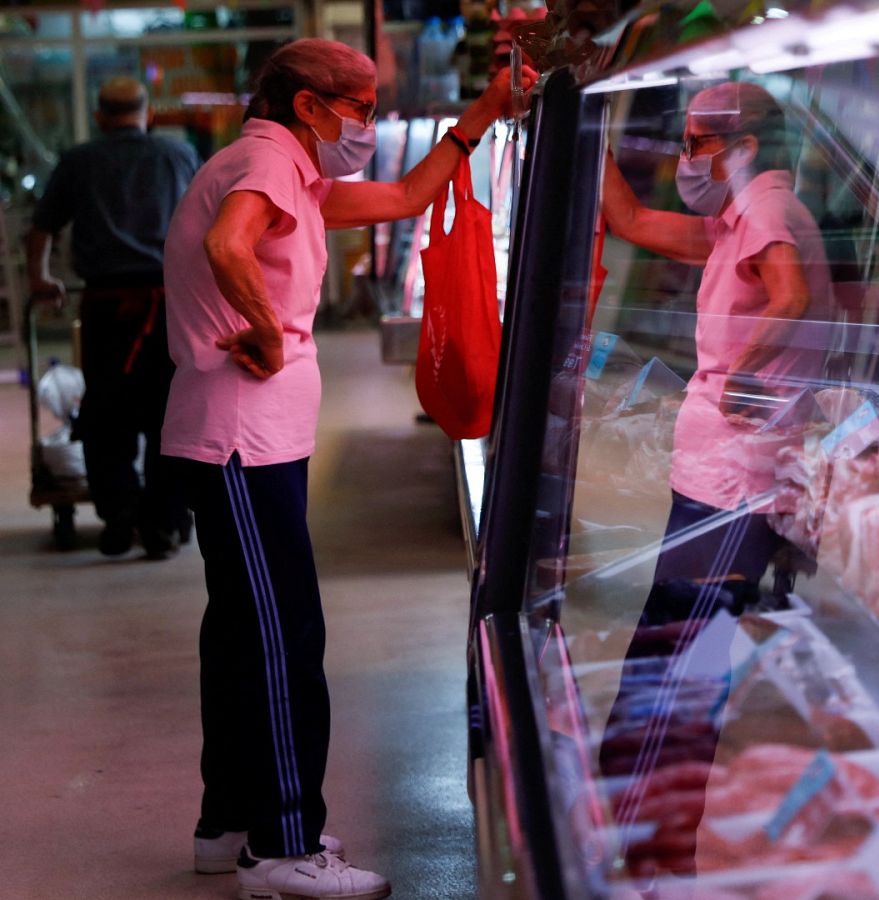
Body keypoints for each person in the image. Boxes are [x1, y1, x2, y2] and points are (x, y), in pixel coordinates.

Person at [159, 38, 531, 899]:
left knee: (242, 632)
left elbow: (403, 194)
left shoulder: (289, 164)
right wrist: (258, 327)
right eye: (359, 107)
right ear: (308, 105)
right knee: (286, 634)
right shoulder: (266, 160)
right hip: (240, 439)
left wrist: (476, 120)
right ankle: (284, 846)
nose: (365, 122)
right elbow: (228, 245)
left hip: (247, 440)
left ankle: (229, 824)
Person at [595, 81, 834, 876]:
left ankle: (653, 850)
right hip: (718, 477)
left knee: (681, 658)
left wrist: (746, 369)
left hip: (736, 484)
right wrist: (579, 119)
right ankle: (635, 824)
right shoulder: (736, 222)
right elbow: (627, 222)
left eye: (696, 143)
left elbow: (791, 296)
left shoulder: (765, 212)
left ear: (744, 149)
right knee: (668, 652)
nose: (684, 158)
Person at [26, 76, 200, 558]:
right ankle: (164, 521)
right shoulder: (178, 156)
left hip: (105, 307)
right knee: (171, 413)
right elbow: (214, 219)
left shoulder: (79, 161)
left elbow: (41, 229)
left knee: (106, 412)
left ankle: (120, 518)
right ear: (147, 114)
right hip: (171, 304)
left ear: (101, 116)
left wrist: (41, 280)